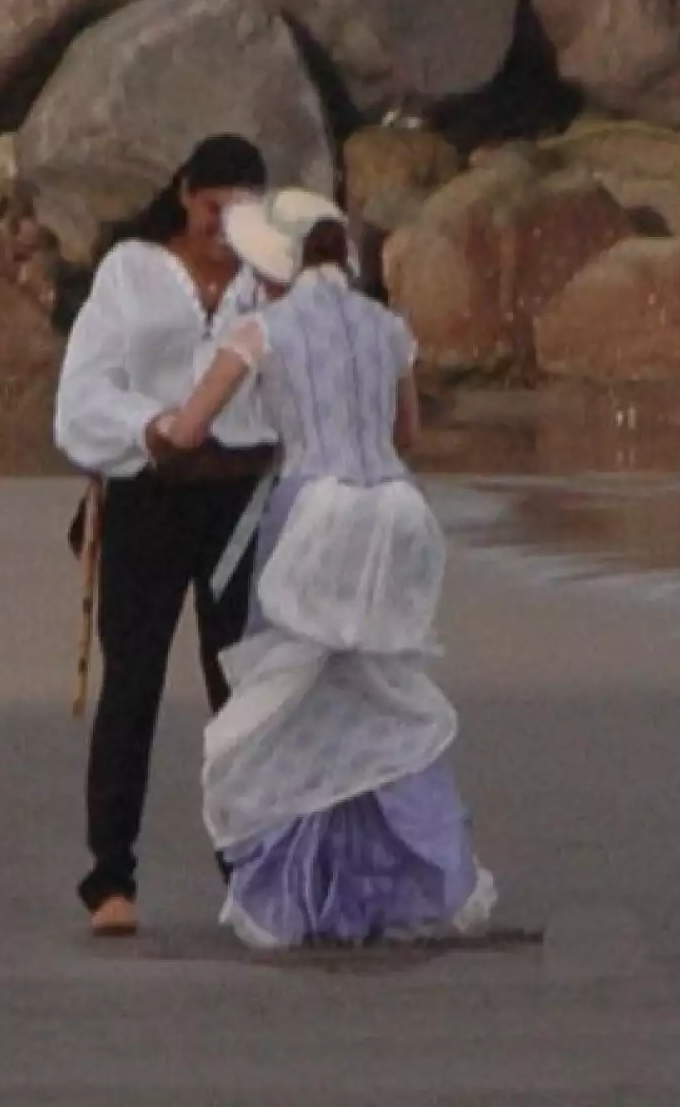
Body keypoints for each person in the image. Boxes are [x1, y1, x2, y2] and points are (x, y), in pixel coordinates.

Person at [151, 188, 497, 949]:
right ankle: (399, 876)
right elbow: (406, 434)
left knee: (291, 697)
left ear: (275, 265)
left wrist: (150, 435)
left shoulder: (261, 329)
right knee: (377, 690)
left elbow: (190, 425)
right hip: (397, 517)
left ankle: (296, 888)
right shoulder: (387, 327)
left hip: (314, 515)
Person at [54, 135, 279, 938]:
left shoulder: (271, 282)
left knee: (243, 691)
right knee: (134, 682)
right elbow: (83, 390)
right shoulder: (132, 270)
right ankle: (110, 876)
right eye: (216, 206)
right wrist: (149, 429)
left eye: (245, 209)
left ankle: (253, 869)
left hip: (239, 501)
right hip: (148, 494)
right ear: (186, 195)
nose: (227, 224)